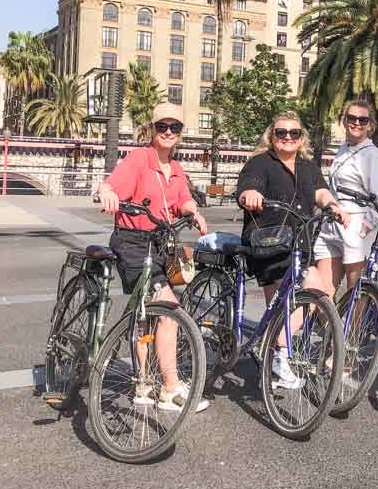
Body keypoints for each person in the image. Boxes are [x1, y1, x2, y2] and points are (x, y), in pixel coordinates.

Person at [97, 102, 210, 413]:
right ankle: (170, 388)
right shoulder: (139, 159)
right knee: (168, 308)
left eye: (175, 127)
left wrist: (192, 211)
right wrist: (107, 192)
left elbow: (182, 198)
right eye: (163, 127)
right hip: (132, 242)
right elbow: (113, 184)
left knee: (146, 315)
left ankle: (143, 384)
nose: (169, 132)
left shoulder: (175, 168)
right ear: (153, 129)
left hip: (160, 243)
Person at [236, 111, 349, 388]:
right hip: (268, 244)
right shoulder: (260, 163)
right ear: (271, 136)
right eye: (281, 132)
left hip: (299, 245)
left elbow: (320, 191)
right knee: (309, 290)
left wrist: (333, 206)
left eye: (293, 133)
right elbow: (247, 186)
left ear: (301, 138)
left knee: (299, 300)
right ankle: (278, 353)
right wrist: (250, 195)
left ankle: (275, 352)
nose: (287, 137)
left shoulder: (308, 167)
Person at [314, 100, 378, 299]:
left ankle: (353, 331)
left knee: (355, 292)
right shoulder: (342, 150)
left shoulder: (373, 156)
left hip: (356, 226)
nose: (356, 123)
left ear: (370, 125)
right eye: (351, 118)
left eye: (362, 119)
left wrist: (365, 227)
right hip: (332, 223)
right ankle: (332, 330)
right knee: (322, 290)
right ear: (344, 120)